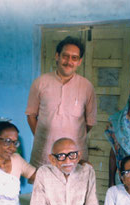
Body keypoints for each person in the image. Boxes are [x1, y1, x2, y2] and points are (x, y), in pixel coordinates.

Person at [26, 36, 97, 168]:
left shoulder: (87, 87)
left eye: (74, 58)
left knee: (74, 187)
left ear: (79, 61)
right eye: (65, 56)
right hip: (45, 152)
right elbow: (31, 115)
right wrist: (43, 137)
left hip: (74, 155)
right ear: (57, 56)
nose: (69, 61)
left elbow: (90, 122)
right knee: (44, 187)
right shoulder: (40, 83)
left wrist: (73, 134)